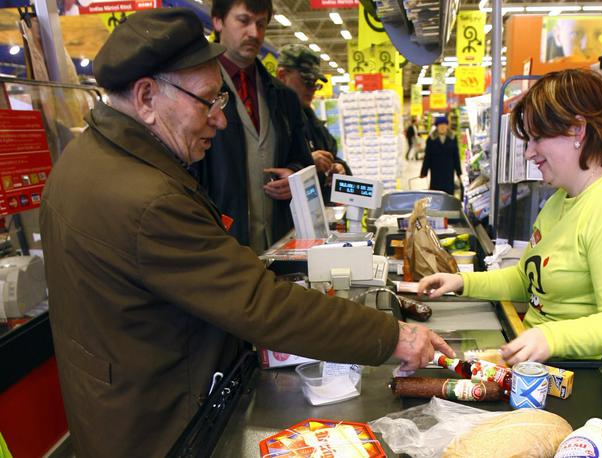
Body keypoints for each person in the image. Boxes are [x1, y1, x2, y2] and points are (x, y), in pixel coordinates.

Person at [39, 9, 453, 457]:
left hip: (116, 403)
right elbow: (259, 303)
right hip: (158, 426)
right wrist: (395, 336)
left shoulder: (86, 159)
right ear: (145, 98)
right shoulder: (144, 199)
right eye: (208, 101)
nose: (219, 120)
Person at [418, 69, 602, 366]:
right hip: (544, 365)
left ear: (578, 130)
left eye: (537, 138)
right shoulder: (562, 199)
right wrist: (462, 282)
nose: (528, 153)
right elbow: (527, 280)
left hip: (593, 375)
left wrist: (551, 337)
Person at [196, 0, 314, 254]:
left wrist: (293, 176)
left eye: (261, 24)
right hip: (221, 247)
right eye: (244, 20)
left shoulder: (284, 97)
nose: (254, 33)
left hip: (281, 245)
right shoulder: (196, 95)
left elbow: (302, 159)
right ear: (217, 21)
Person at [276, 44, 352, 204]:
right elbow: (268, 173)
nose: (312, 89)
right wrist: (307, 162)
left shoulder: (308, 116)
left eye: (315, 83)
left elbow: (330, 151)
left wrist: (338, 167)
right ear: (282, 75)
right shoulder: (272, 119)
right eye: (307, 81)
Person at [420, 116, 462, 198]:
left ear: (447, 126)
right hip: (436, 171)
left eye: (444, 125)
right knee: (436, 193)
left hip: (449, 171)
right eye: (440, 125)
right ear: (437, 126)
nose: (442, 127)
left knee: (448, 193)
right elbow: (427, 157)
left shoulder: (453, 137)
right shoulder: (431, 138)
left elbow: (456, 156)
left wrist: (459, 172)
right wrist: (424, 172)